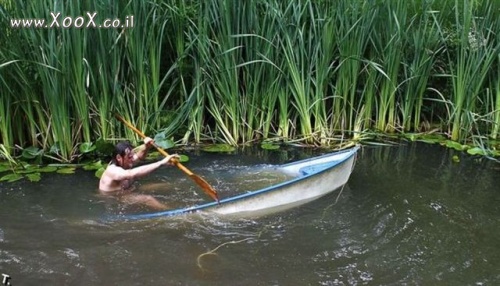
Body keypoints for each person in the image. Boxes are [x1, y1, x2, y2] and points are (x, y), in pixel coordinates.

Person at [99, 137, 179, 210]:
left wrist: (147, 147)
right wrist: (160, 163)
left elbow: (139, 157)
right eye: (129, 157)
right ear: (119, 158)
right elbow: (130, 174)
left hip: (127, 190)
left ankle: (176, 186)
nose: (133, 159)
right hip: (115, 197)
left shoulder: (126, 161)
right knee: (147, 199)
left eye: (132, 156)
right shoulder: (112, 170)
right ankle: (170, 211)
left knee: (159, 186)